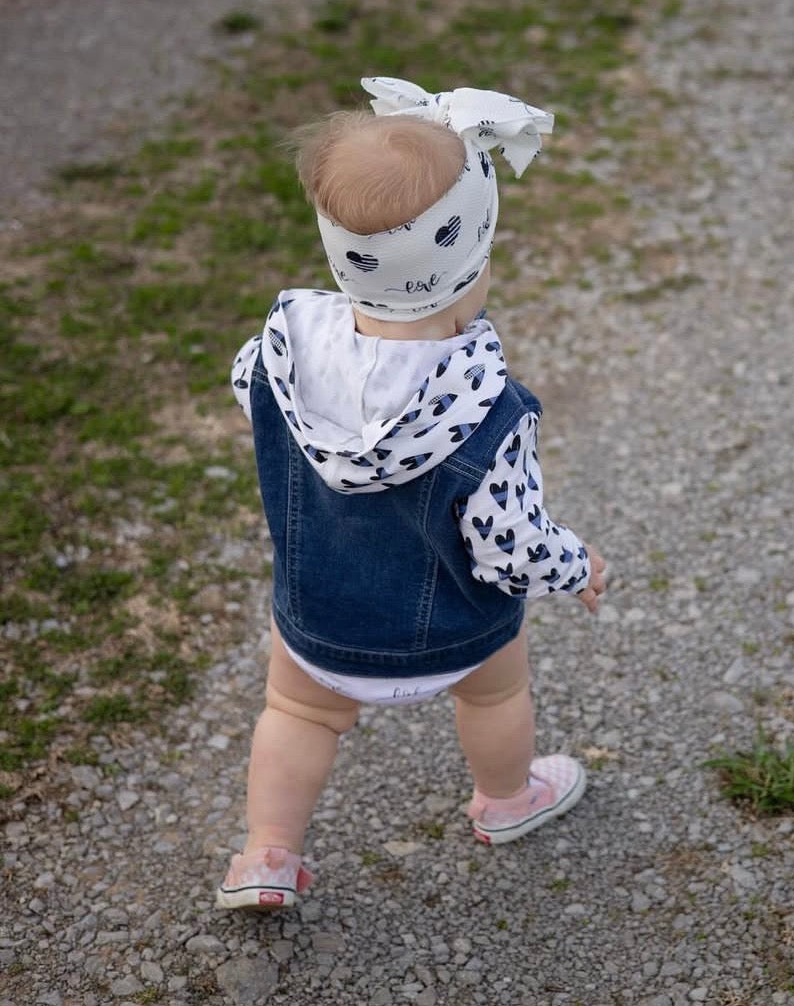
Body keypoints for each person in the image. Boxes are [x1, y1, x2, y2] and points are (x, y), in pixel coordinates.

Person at [216, 78, 607, 912]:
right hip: (456, 633)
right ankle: (507, 799)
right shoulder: (485, 411)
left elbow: (245, 384)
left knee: (297, 715)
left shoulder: (282, 354)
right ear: (473, 259)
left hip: (320, 621)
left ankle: (266, 854)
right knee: (499, 691)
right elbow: (511, 544)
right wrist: (576, 563)